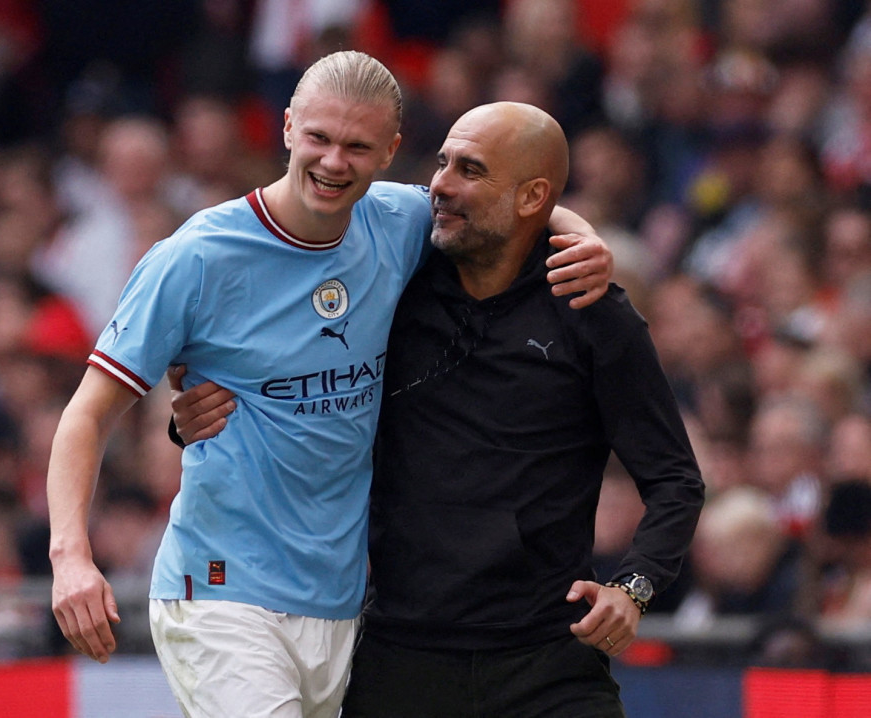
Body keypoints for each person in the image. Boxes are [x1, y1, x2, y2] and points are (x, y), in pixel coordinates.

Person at [46, 51, 612, 718]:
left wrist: (584, 238)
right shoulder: (196, 257)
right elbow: (87, 414)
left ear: (390, 151)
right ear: (287, 126)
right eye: (319, 137)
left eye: (357, 146)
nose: (334, 162)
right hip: (222, 590)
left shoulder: (400, 222)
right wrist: (71, 557)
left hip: (340, 604)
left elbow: (509, 208)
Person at [173, 101, 705, 717]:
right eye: (443, 162)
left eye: (470, 170)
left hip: (547, 664)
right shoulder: (391, 285)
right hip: (401, 659)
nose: (440, 185)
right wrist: (198, 417)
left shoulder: (590, 309)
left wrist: (633, 587)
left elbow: (675, 479)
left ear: (532, 196)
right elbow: (294, 388)